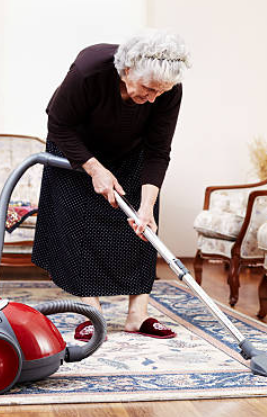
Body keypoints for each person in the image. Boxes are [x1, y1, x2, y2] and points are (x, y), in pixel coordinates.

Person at [32, 30, 191, 341]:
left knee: (141, 226)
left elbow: (159, 150)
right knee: (78, 224)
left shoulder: (168, 90)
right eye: (148, 89)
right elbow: (58, 124)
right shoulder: (90, 69)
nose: (153, 98)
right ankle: (92, 314)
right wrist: (93, 168)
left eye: (161, 92)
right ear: (128, 69)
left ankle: (137, 315)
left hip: (131, 150)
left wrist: (147, 207)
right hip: (75, 148)